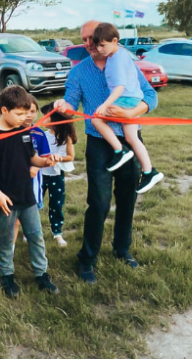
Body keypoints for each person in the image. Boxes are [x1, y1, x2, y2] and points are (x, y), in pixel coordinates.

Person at [53, 19, 158, 284]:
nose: (88, 44)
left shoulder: (124, 62)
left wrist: (133, 112)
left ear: (104, 38)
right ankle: (87, 259)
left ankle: (122, 249)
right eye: (85, 39)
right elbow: (70, 100)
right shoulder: (78, 72)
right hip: (100, 142)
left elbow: (150, 96)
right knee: (98, 202)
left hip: (130, 138)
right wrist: (62, 105)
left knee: (127, 198)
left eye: (92, 38)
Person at [0, 85, 59, 298]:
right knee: (5, 238)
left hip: (26, 196)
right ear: (4, 110)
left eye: (26, 113)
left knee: (36, 236)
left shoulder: (24, 132)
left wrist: (45, 161)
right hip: (5, 199)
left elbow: (32, 158)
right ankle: (7, 275)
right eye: (19, 114)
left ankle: (41, 273)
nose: (24, 118)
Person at [91, 22, 163, 194]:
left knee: (96, 119)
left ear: (114, 40)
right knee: (132, 137)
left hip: (125, 99)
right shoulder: (121, 55)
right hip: (133, 99)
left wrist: (105, 104)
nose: (100, 49)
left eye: (103, 45)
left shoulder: (116, 59)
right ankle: (149, 172)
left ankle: (120, 150)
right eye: (97, 46)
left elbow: (119, 87)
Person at [14, 97, 51, 249]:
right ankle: (11, 247)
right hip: (15, 183)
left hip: (33, 183)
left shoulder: (39, 134)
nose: (29, 115)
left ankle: (31, 241)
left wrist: (37, 167)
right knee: (15, 219)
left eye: (32, 111)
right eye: (25, 111)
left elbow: (45, 157)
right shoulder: (12, 132)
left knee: (31, 216)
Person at [39, 102, 76, 247]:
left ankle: (57, 232)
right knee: (36, 203)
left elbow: (70, 156)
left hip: (56, 176)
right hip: (40, 175)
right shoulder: (41, 135)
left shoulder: (66, 138)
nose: (42, 119)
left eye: (45, 116)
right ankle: (31, 231)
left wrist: (59, 158)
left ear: (55, 120)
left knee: (56, 205)